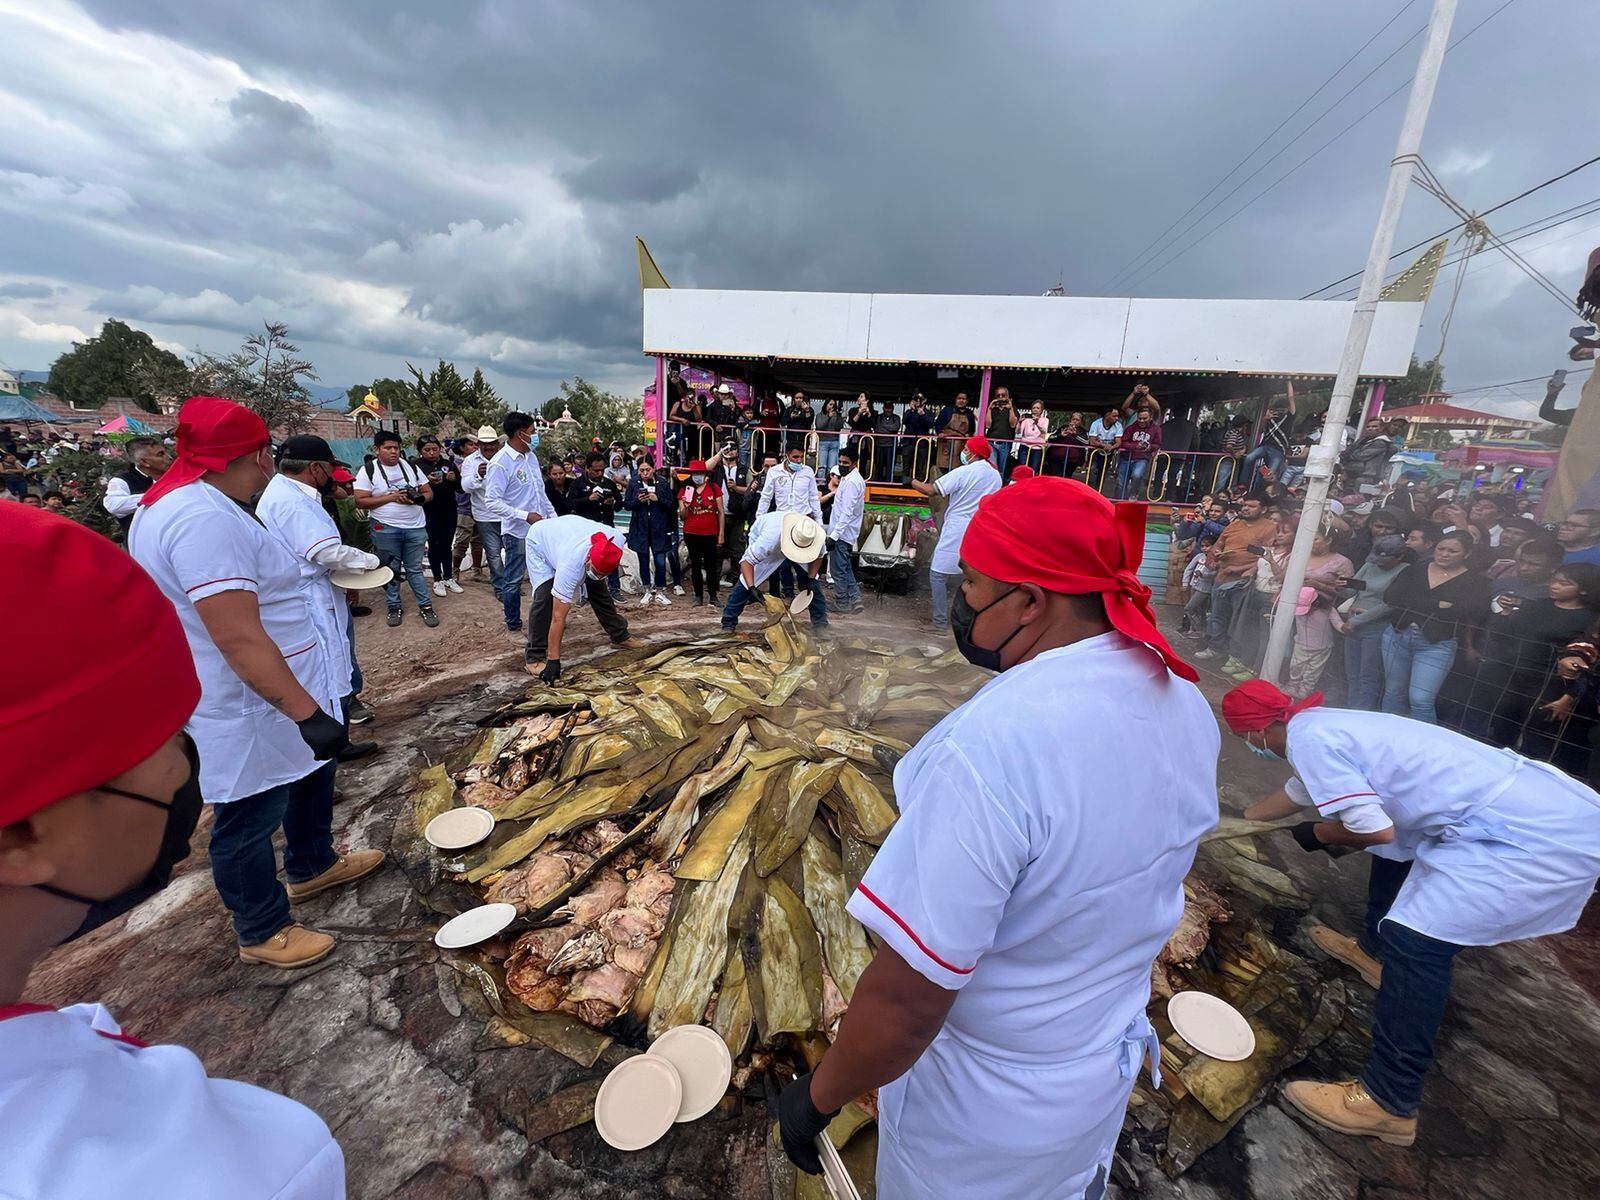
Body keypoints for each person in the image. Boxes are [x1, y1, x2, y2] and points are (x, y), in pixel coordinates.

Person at [779, 478, 1216, 1198]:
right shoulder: (1182, 699)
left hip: (981, 1116)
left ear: (1032, 602)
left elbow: (908, 1000)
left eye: (973, 586)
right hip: (1092, 1078)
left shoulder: (994, 746)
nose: (961, 602)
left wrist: (818, 1096)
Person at [1, 506, 348, 1199]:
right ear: (22, 836)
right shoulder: (234, 1167)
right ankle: (262, 926)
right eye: (163, 741)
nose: (183, 770)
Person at [1221, 681, 1600, 1149]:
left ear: (1259, 731)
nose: (1247, 747)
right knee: (1398, 854)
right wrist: (1235, 818)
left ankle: (1388, 1102)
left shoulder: (1309, 740)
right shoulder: (1316, 727)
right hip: (1530, 804)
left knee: (1416, 941)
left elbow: (1373, 830)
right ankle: (1372, 954)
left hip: (1526, 837)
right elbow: (1296, 794)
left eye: (1244, 738)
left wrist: (1317, 834)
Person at [129, 396, 383, 969]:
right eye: (261, 454)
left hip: (284, 681)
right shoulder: (200, 520)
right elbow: (237, 635)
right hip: (250, 697)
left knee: (309, 775)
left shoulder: (191, 502)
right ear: (239, 456)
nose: (267, 466)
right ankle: (262, 928)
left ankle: (313, 864)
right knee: (250, 812)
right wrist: (305, 712)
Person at [256, 434, 382, 760]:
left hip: (315, 589)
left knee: (333, 665)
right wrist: (371, 561)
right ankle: (330, 749)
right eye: (329, 469)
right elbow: (324, 551)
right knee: (329, 669)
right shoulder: (293, 502)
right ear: (315, 468)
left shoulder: (283, 492)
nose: (331, 476)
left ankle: (337, 740)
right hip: (309, 596)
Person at [1380, 530, 1490, 724]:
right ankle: (1389, 738)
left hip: (1436, 644)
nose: (1444, 554)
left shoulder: (1475, 581)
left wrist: (1414, 602)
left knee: (1421, 699)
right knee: (1393, 692)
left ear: (1467, 554)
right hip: (1398, 635)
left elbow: (1472, 611)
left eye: (1452, 551)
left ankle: (1425, 747)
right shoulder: (1414, 569)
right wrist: (1438, 604)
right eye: (1441, 548)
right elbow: (1391, 597)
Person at [521, 515, 637, 681]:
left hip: (569, 531)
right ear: (588, 558)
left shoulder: (615, 541)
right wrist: (554, 660)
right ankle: (534, 656)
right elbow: (558, 617)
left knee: (599, 590)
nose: (597, 575)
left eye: (602, 573)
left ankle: (620, 635)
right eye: (595, 571)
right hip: (539, 541)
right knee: (544, 597)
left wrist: (596, 575)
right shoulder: (570, 565)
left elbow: (598, 572)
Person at [910, 435, 1002, 632]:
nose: (963, 452)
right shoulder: (995, 476)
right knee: (970, 575)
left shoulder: (964, 472)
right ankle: (968, 622)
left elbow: (932, 490)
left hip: (958, 528)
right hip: (981, 528)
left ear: (971, 452)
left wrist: (912, 481)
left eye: (966, 449)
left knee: (937, 574)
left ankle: (940, 622)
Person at [353, 429, 437, 629]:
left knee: (415, 569)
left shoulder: (410, 467)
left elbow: (428, 493)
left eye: (396, 448)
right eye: (388, 448)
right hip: (385, 527)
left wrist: (415, 500)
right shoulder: (368, 470)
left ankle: (425, 606)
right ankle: (393, 606)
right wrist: (390, 497)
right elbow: (360, 501)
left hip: (415, 526)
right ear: (377, 449)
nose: (393, 452)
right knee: (390, 569)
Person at [485, 412, 558, 631]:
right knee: (514, 580)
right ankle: (513, 622)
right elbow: (491, 502)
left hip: (541, 530)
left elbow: (540, 493)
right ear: (520, 434)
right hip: (517, 533)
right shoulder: (500, 463)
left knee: (545, 577)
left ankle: (544, 622)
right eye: (532, 433)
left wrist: (553, 520)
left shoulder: (531, 457)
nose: (535, 437)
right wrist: (524, 515)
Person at [1194, 495, 1274, 665]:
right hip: (1222, 577)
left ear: (1264, 509)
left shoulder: (1270, 528)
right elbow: (1219, 544)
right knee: (1217, 616)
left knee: (1238, 620)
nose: (1245, 508)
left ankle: (1235, 656)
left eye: (1251, 506)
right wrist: (1212, 559)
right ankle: (1216, 649)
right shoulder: (1235, 524)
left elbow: (1268, 557)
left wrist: (1242, 570)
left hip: (1244, 581)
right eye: (1244, 505)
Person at [720, 511, 830, 633]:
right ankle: (728, 623)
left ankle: (820, 625)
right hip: (774, 548)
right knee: (746, 582)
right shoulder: (769, 539)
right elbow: (746, 562)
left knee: (813, 585)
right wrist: (752, 587)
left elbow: (819, 557)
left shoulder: (814, 535)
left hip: (802, 550)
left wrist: (811, 578)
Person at [1337, 534, 1409, 710]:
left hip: (1376, 627)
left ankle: (1364, 712)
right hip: (1353, 622)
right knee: (1351, 673)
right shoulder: (1370, 565)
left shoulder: (1404, 570)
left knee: (1368, 675)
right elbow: (1352, 591)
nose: (1379, 563)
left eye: (1385, 559)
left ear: (1399, 556)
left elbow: (1390, 604)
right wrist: (1338, 586)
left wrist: (1359, 620)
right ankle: (1351, 709)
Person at [1287, 527, 1355, 698]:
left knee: (1314, 664)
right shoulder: (1301, 555)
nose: (1311, 543)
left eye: (1316, 539)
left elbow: (1349, 592)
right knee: (1296, 659)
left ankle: (1305, 691)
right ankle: (1292, 685)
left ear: (1329, 540)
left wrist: (1321, 586)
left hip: (1322, 609)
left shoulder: (1342, 562)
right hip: (1297, 610)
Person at [565, 451, 624, 596]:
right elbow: (569, 504)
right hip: (586, 530)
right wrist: (588, 499)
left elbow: (620, 505)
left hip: (606, 528)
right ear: (587, 468)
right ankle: (584, 592)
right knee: (584, 559)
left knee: (610, 558)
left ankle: (614, 589)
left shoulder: (609, 483)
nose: (599, 473)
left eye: (602, 470)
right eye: (596, 470)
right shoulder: (577, 484)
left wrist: (613, 502)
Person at [460, 424, 507, 600]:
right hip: (485, 515)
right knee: (493, 554)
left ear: (497, 444)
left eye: (492, 443)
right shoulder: (470, 461)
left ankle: (511, 585)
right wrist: (478, 475)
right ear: (478, 444)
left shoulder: (505, 459)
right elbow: (465, 487)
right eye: (484, 443)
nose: (488, 446)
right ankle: (501, 587)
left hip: (507, 514)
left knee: (512, 552)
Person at [414, 435, 462, 597]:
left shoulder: (448, 464)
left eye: (434, 449)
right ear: (420, 451)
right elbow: (411, 489)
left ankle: (449, 577)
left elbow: (461, 489)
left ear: (440, 449)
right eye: (427, 450)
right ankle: (437, 579)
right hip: (428, 511)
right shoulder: (415, 467)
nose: (431, 453)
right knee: (434, 544)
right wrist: (425, 482)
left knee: (447, 544)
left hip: (449, 509)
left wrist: (454, 479)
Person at [624, 457, 676, 608]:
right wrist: (637, 500)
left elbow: (670, 504)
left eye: (648, 470)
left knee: (660, 561)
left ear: (653, 469)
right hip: (640, 528)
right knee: (643, 560)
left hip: (659, 528)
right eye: (642, 470)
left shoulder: (662, 482)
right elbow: (627, 505)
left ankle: (660, 591)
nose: (645, 473)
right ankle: (647, 589)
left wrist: (657, 498)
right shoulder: (634, 483)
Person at [677, 459, 724, 608]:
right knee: (695, 565)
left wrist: (721, 534)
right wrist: (685, 506)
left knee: (711, 566)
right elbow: (682, 516)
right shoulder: (685, 490)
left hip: (710, 533)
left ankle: (713, 595)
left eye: (700, 473)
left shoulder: (714, 488)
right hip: (691, 533)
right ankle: (698, 596)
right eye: (695, 473)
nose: (697, 476)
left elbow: (721, 512)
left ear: (705, 474)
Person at [101, 437, 171, 536]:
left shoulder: (172, 475)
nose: (169, 457)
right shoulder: (123, 480)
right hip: (141, 541)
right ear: (144, 462)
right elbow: (113, 505)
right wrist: (156, 496)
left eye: (165, 452)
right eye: (160, 454)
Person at [827, 444, 867, 614]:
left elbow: (847, 512)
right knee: (844, 567)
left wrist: (834, 536)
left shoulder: (852, 482)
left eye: (845, 463)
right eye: (840, 462)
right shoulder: (848, 479)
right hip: (842, 531)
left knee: (838, 570)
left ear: (854, 463)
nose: (842, 465)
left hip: (842, 533)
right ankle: (855, 599)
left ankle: (842, 602)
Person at [1240, 387, 1296, 488]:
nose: (1279, 411)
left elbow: (1291, 398)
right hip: (1265, 446)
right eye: (1276, 409)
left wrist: (1288, 382)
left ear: (1287, 408)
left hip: (1278, 450)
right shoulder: (1270, 418)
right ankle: (1243, 484)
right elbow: (1260, 430)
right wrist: (1265, 419)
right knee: (1249, 458)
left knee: (1268, 474)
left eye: (1281, 409)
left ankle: (1260, 492)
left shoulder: (1289, 417)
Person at [1116, 407, 1162, 500]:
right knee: (1121, 481)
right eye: (1139, 418)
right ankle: (1118, 500)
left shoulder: (1156, 429)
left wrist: (1150, 447)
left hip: (1142, 458)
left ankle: (1134, 494)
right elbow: (1123, 442)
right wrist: (1135, 446)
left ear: (1151, 417)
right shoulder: (1131, 427)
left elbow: (1157, 444)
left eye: (1144, 418)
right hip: (1126, 457)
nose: (1141, 421)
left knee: (1137, 475)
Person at [933, 393, 974, 473]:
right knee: (943, 465)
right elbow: (937, 423)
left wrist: (968, 434)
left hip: (961, 442)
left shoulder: (969, 413)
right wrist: (939, 432)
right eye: (959, 398)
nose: (961, 401)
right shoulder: (947, 410)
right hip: (946, 441)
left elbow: (972, 427)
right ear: (955, 400)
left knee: (958, 465)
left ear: (967, 401)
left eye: (963, 399)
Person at [1085, 407, 1123, 492]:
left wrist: (1111, 447)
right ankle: (1089, 491)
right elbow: (1092, 441)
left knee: (1102, 473)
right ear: (1107, 415)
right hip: (1095, 452)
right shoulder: (1096, 424)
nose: (1116, 418)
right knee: (1092, 470)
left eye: (1117, 416)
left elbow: (1118, 441)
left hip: (1108, 453)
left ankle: (1098, 491)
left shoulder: (1118, 425)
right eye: (1114, 416)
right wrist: (1104, 445)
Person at [985, 386, 1017, 477]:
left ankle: (1000, 488)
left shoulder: (1013, 409)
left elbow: (1013, 424)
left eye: (1003, 395)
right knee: (992, 468)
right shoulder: (991, 409)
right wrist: (990, 408)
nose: (1000, 397)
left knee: (1001, 469)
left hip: (1005, 442)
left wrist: (1010, 408)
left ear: (1008, 397)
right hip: (991, 442)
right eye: (998, 395)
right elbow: (987, 425)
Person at [901, 392, 936, 478]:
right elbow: (904, 421)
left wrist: (923, 415)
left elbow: (931, 424)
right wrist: (912, 410)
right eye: (916, 399)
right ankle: (905, 485)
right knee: (906, 467)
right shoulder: (909, 412)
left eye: (920, 399)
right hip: (908, 443)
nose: (918, 401)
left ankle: (918, 486)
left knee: (920, 467)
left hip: (922, 444)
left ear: (924, 400)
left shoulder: (928, 413)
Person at [1015, 400, 1049, 476]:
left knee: (1033, 469)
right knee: (1022, 468)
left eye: (1038, 408)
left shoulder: (1045, 420)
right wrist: (1019, 422)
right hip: (1025, 445)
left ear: (1041, 410)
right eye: (1034, 408)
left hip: (1037, 447)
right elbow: (1018, 432)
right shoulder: (1026, 419)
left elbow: (1044, 432)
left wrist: (1037, 423)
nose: (1035, 410)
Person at [871, 397, 901, 483]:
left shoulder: (897, 417)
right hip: (879, 444)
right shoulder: (878, 417)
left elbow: (895, 427)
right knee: (878, 465)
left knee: (890, 465)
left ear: (893, 408)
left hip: (891, 445)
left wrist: (884, 426)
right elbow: (877, 428)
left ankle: (889, 482)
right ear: (883, 408)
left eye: (890, 408)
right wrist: (889, 430)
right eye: (887, 407)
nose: (888, 410)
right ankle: (878, 481)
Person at [814, 397, 843, 474]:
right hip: (823, 442)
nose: (831, 407)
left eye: (834, 405)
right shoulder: (819, 415)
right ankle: (820, 484)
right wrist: (828, 417)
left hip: (834, 442)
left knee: (832, 467)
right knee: (821, 467)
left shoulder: (837, 416)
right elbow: (820, 426)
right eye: (830, 404)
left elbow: (839, 427)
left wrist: (838, 416)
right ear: (825, 405)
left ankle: (830, 483)